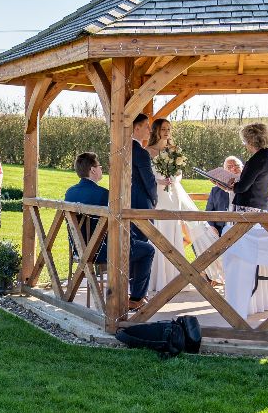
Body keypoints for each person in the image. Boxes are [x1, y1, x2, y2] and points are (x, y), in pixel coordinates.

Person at [64, 151, 154, 312]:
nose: (101, 169)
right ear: (92, 170)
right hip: (99, 251)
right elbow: (119, 226)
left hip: (79, 249)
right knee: (146, 249)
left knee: (132, 244)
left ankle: (128, 295)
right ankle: (136, 299)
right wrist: (131, 240)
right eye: (99, 166)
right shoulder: (104, 195)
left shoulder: (70, 192)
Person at [145, 118, 221, 294]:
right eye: (163, 129)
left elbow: (179, 173)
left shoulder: (173, 151)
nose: (166, 132)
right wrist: (159, 180)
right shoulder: (147, 151)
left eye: (169, 129)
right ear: (156, 131)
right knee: (159, 230)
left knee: (173, 231)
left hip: (173, 195)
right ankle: (157, 276)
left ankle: (173, 276)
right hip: (158, 195)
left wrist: (173, 179)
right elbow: (146, 175)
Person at [128, 115, 158, 311]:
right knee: (142, 248)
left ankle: (134, 293)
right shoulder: (140, 151)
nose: (150, 130)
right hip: (140, 204)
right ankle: (137, 296)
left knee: (132, 246)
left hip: (128, 202)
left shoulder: (122, 149)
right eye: (146, 127)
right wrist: (155, 199)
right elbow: (149, 180)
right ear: (136, 128)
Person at [231, 122, 268, 211]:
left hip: (250, 208)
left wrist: (232, 185)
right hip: (260, 205)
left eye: (245, 141)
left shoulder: (256, 160)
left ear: (251, 141)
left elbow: (242, 187)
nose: (245, 145)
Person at [205, 156, 243, 234]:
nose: (233, 169)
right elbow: (208, 213)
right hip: (221, 231)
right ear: (224, 171)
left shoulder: (250, 188)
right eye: (229, 167)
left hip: (243, 230)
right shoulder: (215, 190)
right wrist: (212, 227)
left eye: (237, 166)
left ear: (243, 168)